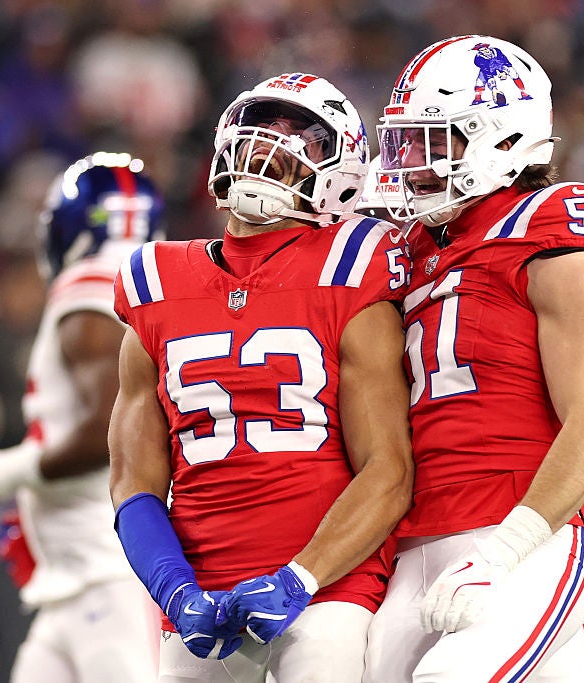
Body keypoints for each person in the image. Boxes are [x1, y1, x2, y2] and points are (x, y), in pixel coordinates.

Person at [109, 73, 414, 682]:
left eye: (300, 134)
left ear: (344, 173)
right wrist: (175, 594)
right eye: (261, 126)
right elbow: (133, 483)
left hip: (326, 589)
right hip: (200, 603)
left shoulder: (352, 266)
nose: (271, 143)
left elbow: (389, 469)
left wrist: (299, 578)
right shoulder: (155, 281)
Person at [363, 35, 584, 682]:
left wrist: (504, 554)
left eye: (435, 141)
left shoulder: (549, 228)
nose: (414, 165)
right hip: (418, 537)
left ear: (504, 138)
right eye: (406, 143)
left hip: (522, 533)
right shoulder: (414, 248)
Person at [0, 152, 165, 682]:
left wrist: (0, 475)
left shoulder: (91, 286)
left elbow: (108, 431)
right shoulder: (139, 284)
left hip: (110, 572)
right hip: (78, 574)